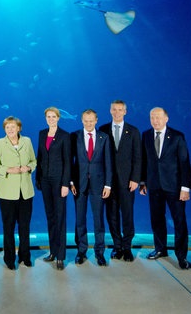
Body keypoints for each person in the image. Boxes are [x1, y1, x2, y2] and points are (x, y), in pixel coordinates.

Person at [140, 107, 191, 270]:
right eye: (152, 117)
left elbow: (184, 163)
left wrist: (185, 187)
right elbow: (144, 160)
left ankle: (182, 256)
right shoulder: (146, 135)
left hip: (174, 186)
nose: (155, 120)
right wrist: (143, 182)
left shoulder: (177, 136)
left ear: (166, 119)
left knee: (179, 221)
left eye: (158, 117)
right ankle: (160, 249)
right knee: (156, 219)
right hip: (154, 185)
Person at [0, 116, 37, 270]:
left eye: (13, 127)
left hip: (25, 192)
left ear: (19, 128)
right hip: (7, 194)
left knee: (25, 226)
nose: (10, 130)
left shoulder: (27, 141)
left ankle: (25, 256)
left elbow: (34, 161)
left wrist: (29, 167)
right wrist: (8, 170)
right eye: (7, 127)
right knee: (8, 227)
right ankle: (9, 258)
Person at [98, 100, 141, 262]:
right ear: (110, 111)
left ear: (125, 111)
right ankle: (117, 246)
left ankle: (127, 246)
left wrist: (136, 179)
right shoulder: (102, 130)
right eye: (114, 109)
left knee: (128, 215)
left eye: (120, 110)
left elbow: (138, 157)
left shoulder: (134, 131)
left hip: (127, 182)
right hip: (108, 182)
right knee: (112, 215)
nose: (117, 112)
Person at [71, 109, 112, 267]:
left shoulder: (104, 137)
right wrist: (71, 182)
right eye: (86, 121)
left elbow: (108, 162)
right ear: (82, 120)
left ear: (96, 120)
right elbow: (70, 161)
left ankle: (99, 252)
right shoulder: (74, 136)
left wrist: (108, 184)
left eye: (91, 120)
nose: (88, 123)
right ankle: (81, 251)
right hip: (79, 184)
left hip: (99, 184)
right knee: (80, 219)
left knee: (98, 220)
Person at [36, 107, 71, 270]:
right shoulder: (42, 134)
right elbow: (40, 157)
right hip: (45, 181)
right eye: (48, 117)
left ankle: (61, 256)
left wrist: (66, 184)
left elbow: (68, 161)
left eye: (53, 116)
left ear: (58, 118)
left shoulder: (65, 135)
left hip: (59, 182)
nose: (51, 119)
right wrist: (38, 178)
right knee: (50, 217)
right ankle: (52, 251)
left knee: (60, 217)